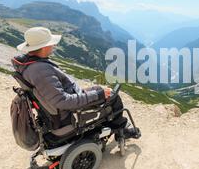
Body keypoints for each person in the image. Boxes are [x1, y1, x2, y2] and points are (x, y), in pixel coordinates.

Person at [11, 27, 140, 140]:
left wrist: (96, 92)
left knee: (100, 89)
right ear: (44, 47)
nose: (53, 46)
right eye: (51, 44)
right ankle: (121, 130)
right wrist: (99, 95)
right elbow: (63, 102)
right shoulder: (40, 71)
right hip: (68, 113)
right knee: (113, 97)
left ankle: (110, 123)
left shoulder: (29, 65)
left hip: (61, 105)